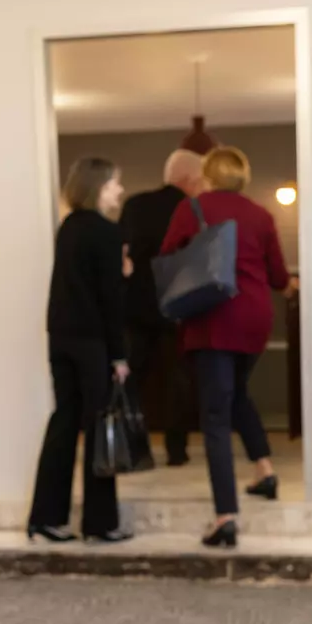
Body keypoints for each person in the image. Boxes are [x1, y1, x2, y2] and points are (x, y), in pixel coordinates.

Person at [160, 146, 293, 548]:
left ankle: (225, 516)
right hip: (255, 320)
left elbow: (167, 257)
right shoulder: (262, 215)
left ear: (208, 175)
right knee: (236, 396)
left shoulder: (193, 209)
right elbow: (278, 277)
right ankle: (264, 471)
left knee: (215, 415)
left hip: (214, 320)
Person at [26, 156, 134, 544]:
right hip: (93, 342)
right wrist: (119, 356)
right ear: (97, 187)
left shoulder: (68, 228)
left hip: (61, 337)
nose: (119, 190)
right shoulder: (106, 232)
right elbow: (108, 301)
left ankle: (45, 517)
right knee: (99, 427)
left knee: (64, 424)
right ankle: (100, 522)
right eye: (113, 184)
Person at [118, 150, 204, 466]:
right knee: (178, 380)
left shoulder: (135, 205)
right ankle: (176, 450)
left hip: (135, 306)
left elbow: (122, 253)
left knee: (132, 380)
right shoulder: (192, 209)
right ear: (190, 180)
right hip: (177, 307)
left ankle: (133, 448)